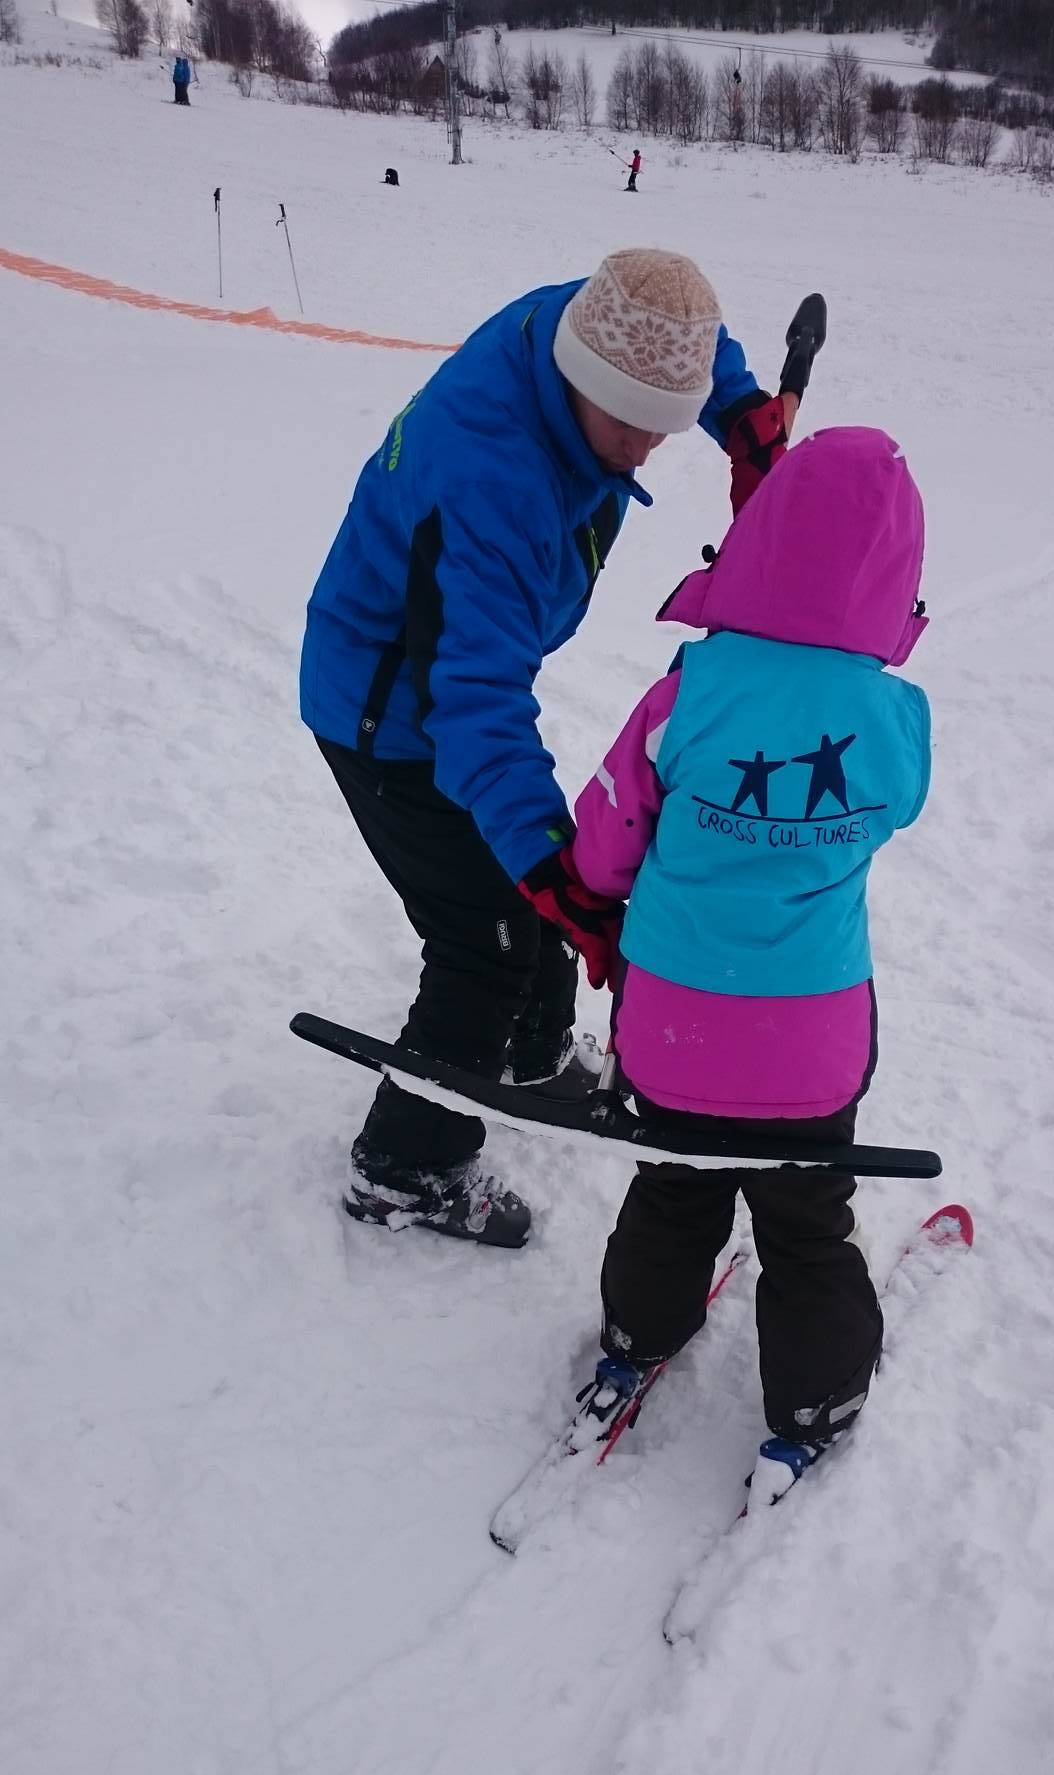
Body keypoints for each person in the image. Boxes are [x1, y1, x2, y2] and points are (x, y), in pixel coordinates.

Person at [300, 251, 820, 1249]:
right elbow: (472, 705)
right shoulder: (490, 481)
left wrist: (740, 415)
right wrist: (551, 872)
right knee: (487, 939)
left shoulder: (589, 318)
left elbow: (683, 341)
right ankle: (405, 1169)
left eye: (664, 424)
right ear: (582, 377)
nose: (645, 448)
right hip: (388, 716)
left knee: (531, 878)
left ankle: (531, 1056)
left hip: (449, 678)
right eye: (629, 423)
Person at [569, 426, 932, 1501]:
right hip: (809, 1037)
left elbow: (603, 844)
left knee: (674, 1188)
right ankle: (814, 1401)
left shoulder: (689, 689)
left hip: (672, 1026)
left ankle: (638, 1332)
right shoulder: (893, 715)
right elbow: (897, 807)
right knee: (807, 1219)